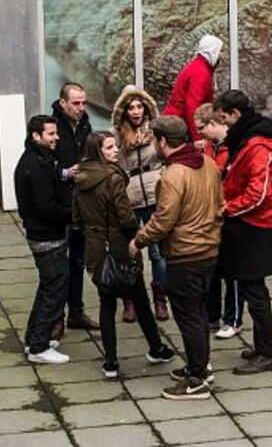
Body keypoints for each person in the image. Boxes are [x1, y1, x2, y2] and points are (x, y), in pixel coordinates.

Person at [128, 116, 224, 400]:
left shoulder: (172, 175)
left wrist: (138, 241)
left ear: (162, 141)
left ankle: (196, 380)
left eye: (153, 139)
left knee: (189, 317)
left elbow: (163, 220)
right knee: (198, 315)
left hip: (185, 255)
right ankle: (200, 367)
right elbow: (221, 204)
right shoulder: (207, 163)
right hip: (208, 251)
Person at [72, 131, 176, 379]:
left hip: (95, 246)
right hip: (117, 244)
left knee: (106, 302)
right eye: (109, 148)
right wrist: (136, 234)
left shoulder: (81, 178)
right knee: (138, 296)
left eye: (114, 146)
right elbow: (125, 214)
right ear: (99, 151)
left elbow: (76, 218)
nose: (116, 151)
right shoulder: (113, 178)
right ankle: (155, 347)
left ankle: (110, 360)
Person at [213, 90, 272, 374]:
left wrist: (227, 209)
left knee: (255, 291)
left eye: (225, 120)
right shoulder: (249, 141)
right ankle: (262, 347)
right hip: (248, 222)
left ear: (236, 114)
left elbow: (259, 193)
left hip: (254, 225)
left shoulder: (257, 147)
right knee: (252, 289)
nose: (224, 126)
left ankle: (267, 352)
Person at [14, 115, 71, 364]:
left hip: (47, 234)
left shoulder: (39, 160)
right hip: (47, 236)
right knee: (55, 290)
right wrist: (73, 214)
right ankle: (38, 346)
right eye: (51, 134)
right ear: (36, 136)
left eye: (55, 133)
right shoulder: (35, 165)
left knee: (48, 286)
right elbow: (45, 207)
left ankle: (35, 339)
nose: (56, 137)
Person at [111, 85, 169, 322]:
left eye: (139, 106)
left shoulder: (156, 131)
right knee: (130, 251)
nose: (135, 112)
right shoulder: (116, 133)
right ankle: (131, 299)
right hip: (130, 195)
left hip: (155, 192)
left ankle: (160, 298)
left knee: (158, 253)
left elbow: (167, 154)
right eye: (130, 108)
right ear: (124, 111)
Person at [50, 82, 99, 337]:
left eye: (83, 103)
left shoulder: (85, 125)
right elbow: (42, 164)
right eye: (76, 104)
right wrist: (64, 173)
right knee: (59, 264)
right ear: (63, 103)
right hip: (61, 204)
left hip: (82, 202)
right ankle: (56, 317)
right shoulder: (50, 127)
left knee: (78, 261)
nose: (80, 108)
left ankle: (76, 312)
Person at [194, 103, 245, 340]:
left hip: (230, 213)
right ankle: (211, 312)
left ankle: (233, 319)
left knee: (233, 269)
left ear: (214, 124)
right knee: (212, 265)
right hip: (212, 213)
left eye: (201, 128)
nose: (199, 133)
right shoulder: (208, 146)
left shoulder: (232, 147)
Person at [163, 34, 224, 145]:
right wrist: (198, 137)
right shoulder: (201, 73)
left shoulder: (198, 68)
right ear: (212, 51)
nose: (221, 55)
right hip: (179, 127)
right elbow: (193, 107)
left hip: (177, 123)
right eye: (219, 51)